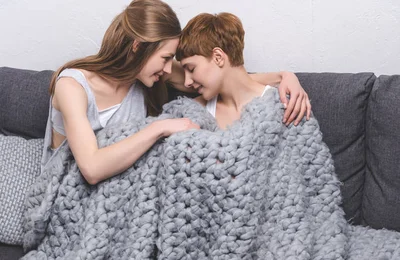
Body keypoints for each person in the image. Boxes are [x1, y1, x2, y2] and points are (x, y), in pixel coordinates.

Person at [43, 0, 311, 184]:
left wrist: (284, 77)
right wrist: (160, 128)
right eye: (166, 57)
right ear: (138, 47)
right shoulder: (73, 87)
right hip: (72, 194)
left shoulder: (150, 74)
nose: (170, 68)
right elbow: (90, 169)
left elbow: (228, 77)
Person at [176, 12, 311, 131]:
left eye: (191, 69)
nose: (187, 82)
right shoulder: (192, 112)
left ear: (218, 57)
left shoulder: (285, 106)